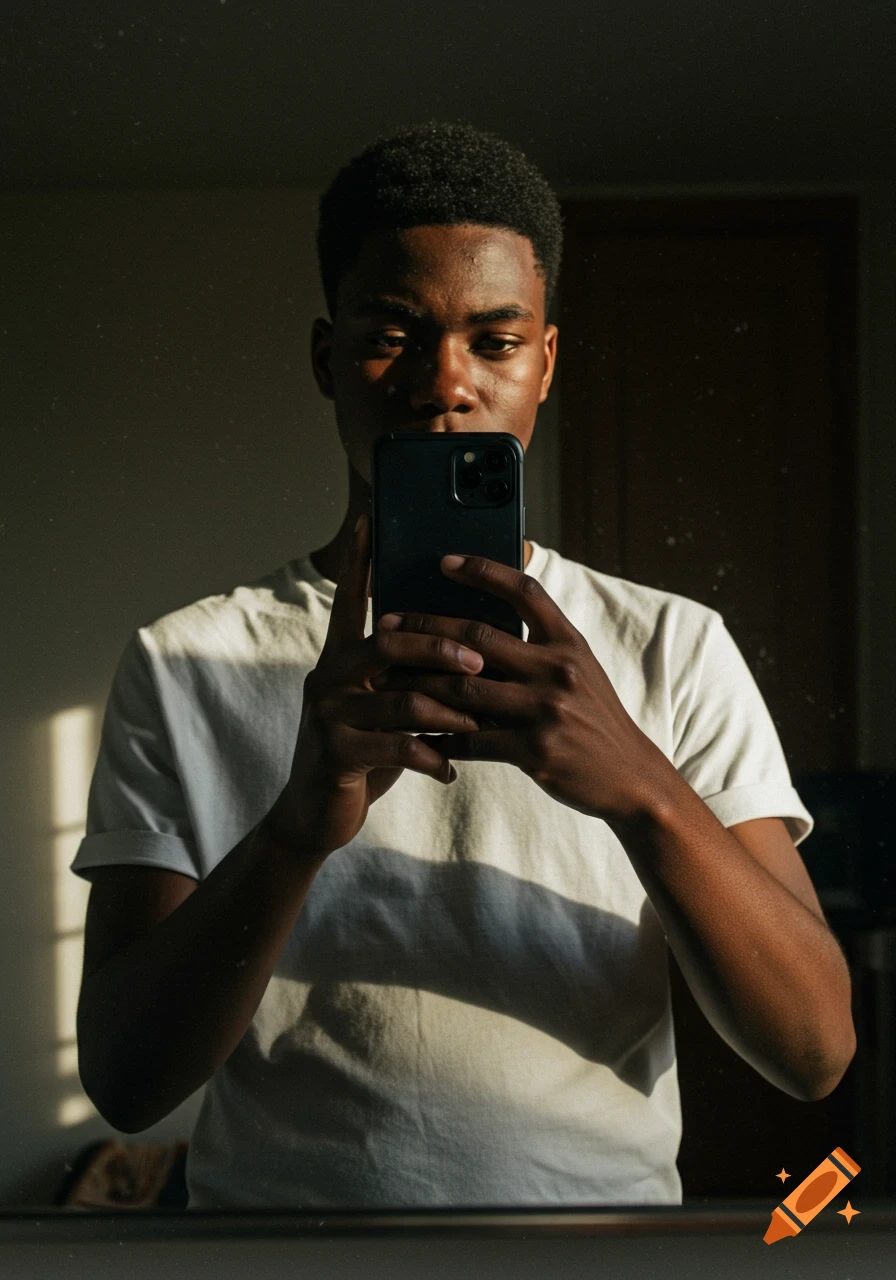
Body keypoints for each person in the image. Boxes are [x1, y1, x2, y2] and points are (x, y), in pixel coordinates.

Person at [72, 122, 855, 1210]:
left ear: (544, 362)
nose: (445, 383)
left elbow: (813, 1050)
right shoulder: (186, 659)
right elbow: (123, 1083)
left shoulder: (671, 644)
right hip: (279, 1256)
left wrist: (637, 783)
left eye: (494, 341)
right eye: (395, 332)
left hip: (596, 1255)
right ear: (325, 357)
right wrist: (298, 824)